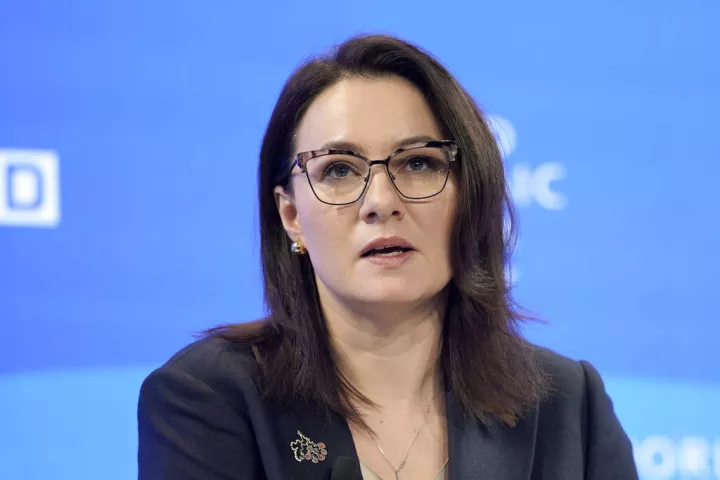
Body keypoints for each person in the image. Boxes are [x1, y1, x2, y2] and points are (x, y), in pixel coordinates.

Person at [137, 34, 638, 480]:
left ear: (470, 198)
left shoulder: (569, 406)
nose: (381, 202)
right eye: (338, 170)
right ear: (291, 216)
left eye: (418, 163)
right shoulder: (208, 398)